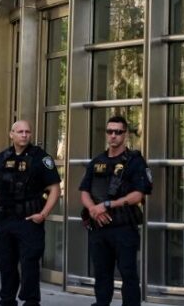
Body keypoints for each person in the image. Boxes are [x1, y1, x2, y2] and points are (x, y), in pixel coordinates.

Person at [0, 120, 62, 306]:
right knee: (6, 264)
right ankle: (7, 300)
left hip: (29, 220)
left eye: (27, 132)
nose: (24, 135)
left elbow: (55, 189)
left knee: (30, 263)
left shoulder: (41, 158)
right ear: (11, 134)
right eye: (20, 131)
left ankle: (31, 301)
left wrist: (43, 214)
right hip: (4, 220)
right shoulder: (1, 158)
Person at [79, 115, 153, 306]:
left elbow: (139, 194)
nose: (113, 136)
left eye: (118, 132)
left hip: (123, 228)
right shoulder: (96, 161)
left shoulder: (135, 161)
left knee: (128, 274)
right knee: (102, 274)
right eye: (110, 131)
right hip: (99, 227)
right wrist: (93, 209)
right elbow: (84, 191)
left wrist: (109, 205)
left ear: (125, 135)